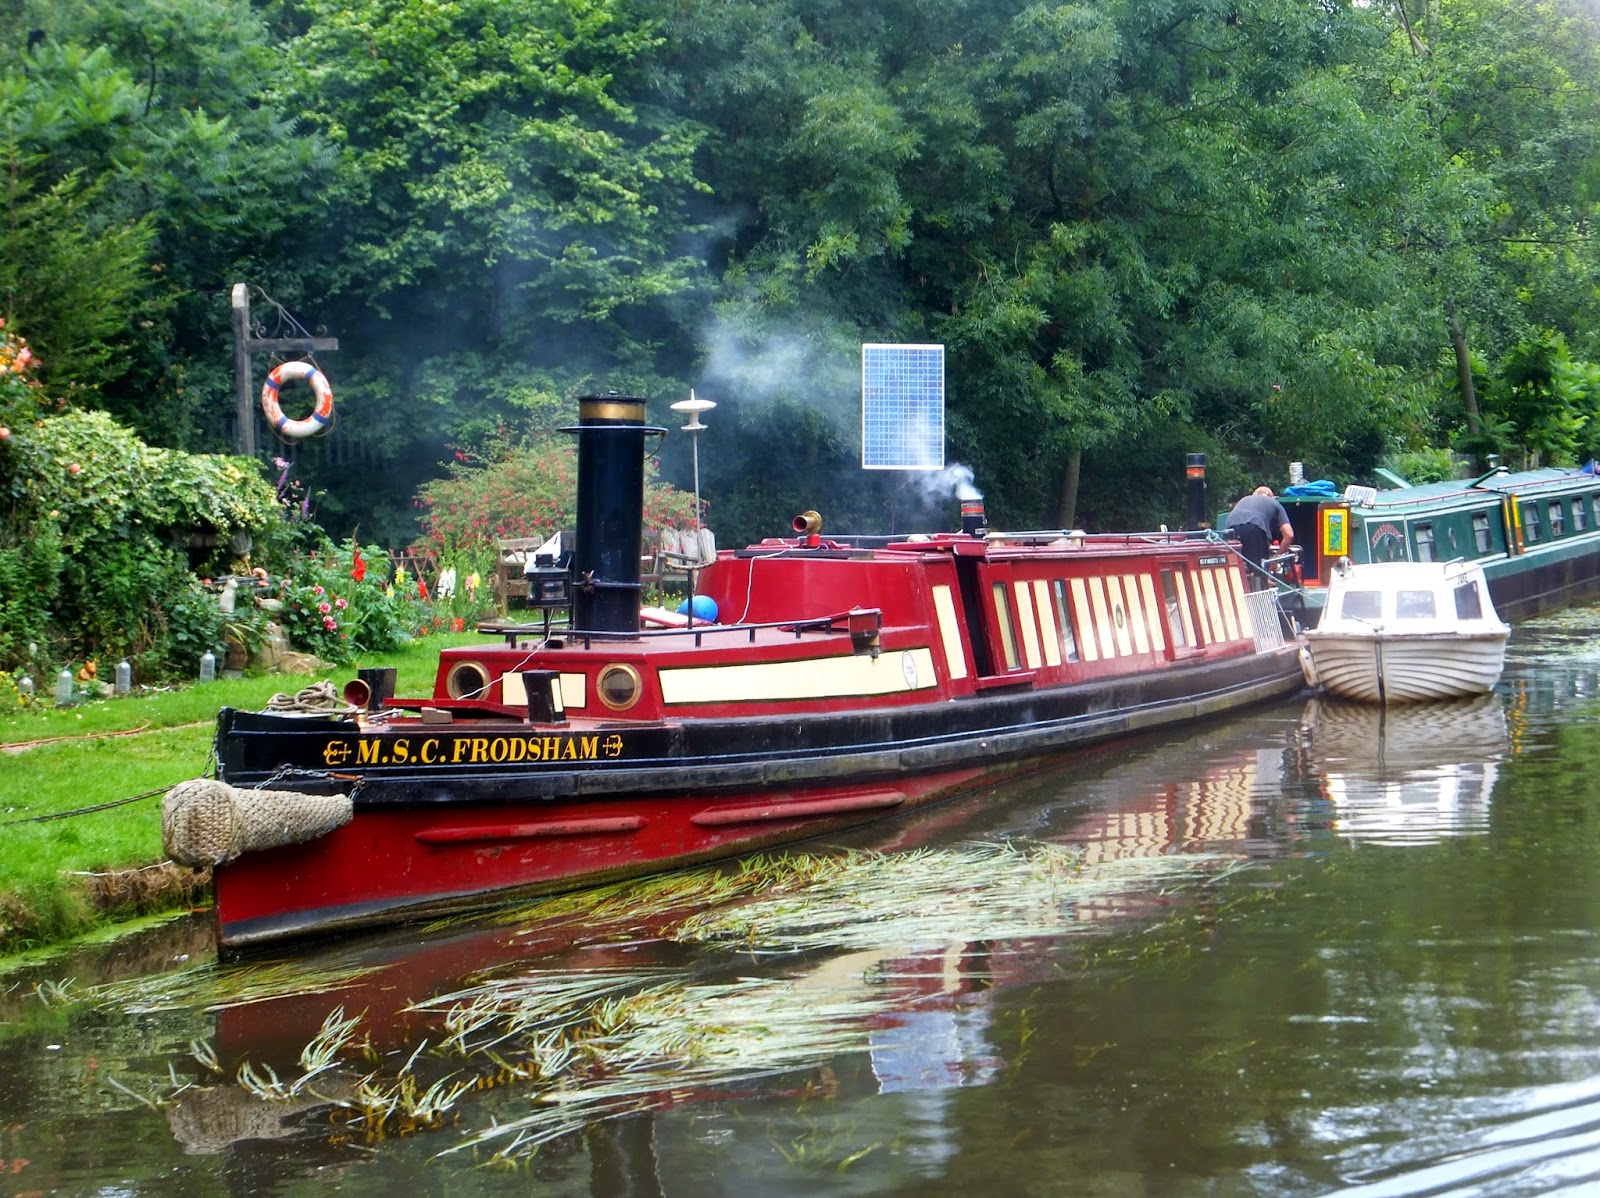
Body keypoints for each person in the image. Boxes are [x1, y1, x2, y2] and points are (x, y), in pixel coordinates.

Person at [1225, 485, 1295, 588]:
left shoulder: (1243, 500)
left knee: (1238, 567)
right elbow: (1289, 534)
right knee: (1259, 568)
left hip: (1230, 528)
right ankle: (1263, 591)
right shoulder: (1274, 503)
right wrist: (1275, 560)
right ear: (1271, 496)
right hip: (1255, 526)